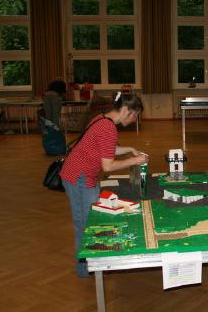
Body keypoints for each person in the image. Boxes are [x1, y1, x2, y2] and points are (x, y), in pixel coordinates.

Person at [60, 92, 148, 277]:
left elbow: (106, 149)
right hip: (80, 178)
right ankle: (85, 269)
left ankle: (90, 265)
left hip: (80, 175)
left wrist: (130, 150)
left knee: (89, 221)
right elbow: (107, 165)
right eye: (134, 115)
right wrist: (134, 160)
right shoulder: (109, 128)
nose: (134, 120)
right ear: (125, 109)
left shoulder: (102, 119)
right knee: (85, 224)